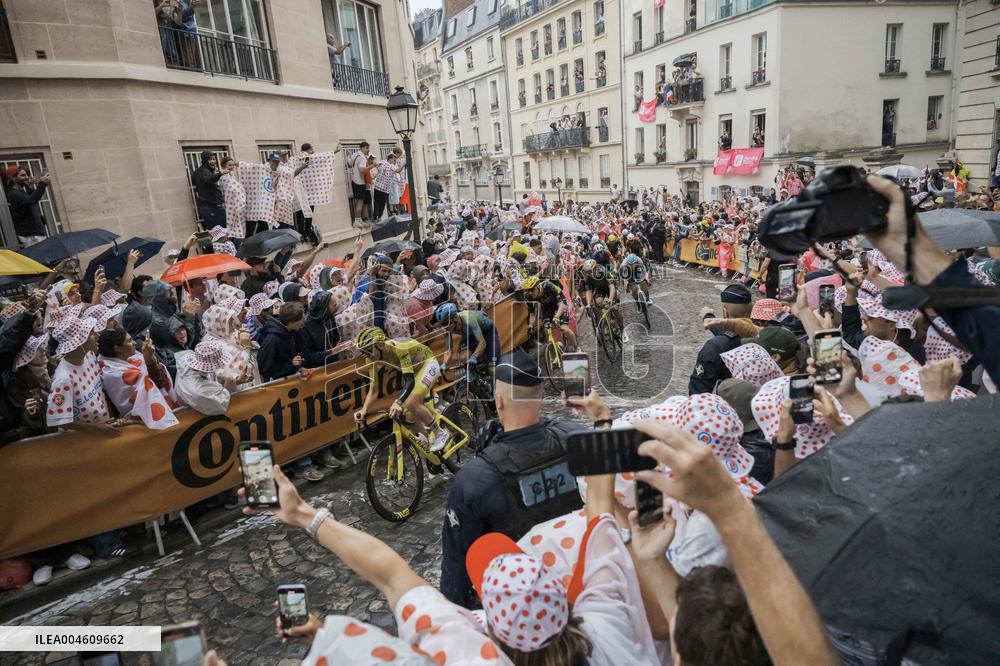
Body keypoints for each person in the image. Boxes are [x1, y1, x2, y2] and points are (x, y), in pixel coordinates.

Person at [440, 350, 585, 608]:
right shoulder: (578, 438)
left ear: (499, 401)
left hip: (522, 613)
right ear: (541, 396)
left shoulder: (474, 479)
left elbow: (456, 582)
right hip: (581, 589)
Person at [353, 327, 446, 448]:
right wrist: (364, 410)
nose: (367, 355)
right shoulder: (370, 359)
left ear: (380, 345)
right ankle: (428, 446)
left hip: (427, 364)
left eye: (368, 351)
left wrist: (398, 402)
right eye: (364, 352)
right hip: (415, 372)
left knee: (411, 402)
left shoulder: (399, 348)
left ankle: (440, 432)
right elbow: (374, 389)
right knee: (406, 415)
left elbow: (409, 381)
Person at [689, 284, 751, 395]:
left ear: (725, 312)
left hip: (722, 407)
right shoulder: (763, 335)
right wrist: (708, 317)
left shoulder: (715, 346)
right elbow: (730, 333)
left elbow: (698, 392)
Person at [173, 340, 235, 416]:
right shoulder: (199, 391)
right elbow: (221, 405)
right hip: (197, 416)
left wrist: (218, 375)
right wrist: (228, 383)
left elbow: (208, 372)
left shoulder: (187, 363)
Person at [257, 301, 307, 382]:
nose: (303, 322)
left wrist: (297, 367)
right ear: (291, 322)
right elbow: (264, 370)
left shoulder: (291, 332)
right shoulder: (272, 341)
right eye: (301, 319)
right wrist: (291, 365)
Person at [4, 166, 51, 246]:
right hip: (31, 236)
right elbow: (31, 200)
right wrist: (42, 184)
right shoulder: (13, 194)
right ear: (13, 178)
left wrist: (29, 186)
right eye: (23, 175)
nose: (27, 177)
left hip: (36, 233)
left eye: (26, 175)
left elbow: (31, 201)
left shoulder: (21, 192)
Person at [192, 151, 230, 229]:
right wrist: (220, 173)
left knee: (219, 232)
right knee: (220, 232)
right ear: (205, 160)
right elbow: (209, 180)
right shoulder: (202, 171)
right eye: (210, 159)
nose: (213, 161)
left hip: (212, 207)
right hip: (211, 208)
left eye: (214, 159)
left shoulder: (205, 171)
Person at [350, 143, 374, 225]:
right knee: (360, 202)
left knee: (359, 202)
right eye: (367, 148)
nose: (368, 150)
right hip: (359, 182)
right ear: (362, 148)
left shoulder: (354, 155)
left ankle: (358, 219)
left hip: (354, 181)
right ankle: (357, 220)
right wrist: (372, 165)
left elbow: (349, 164)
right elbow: (362, 170)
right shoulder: (362, 158)